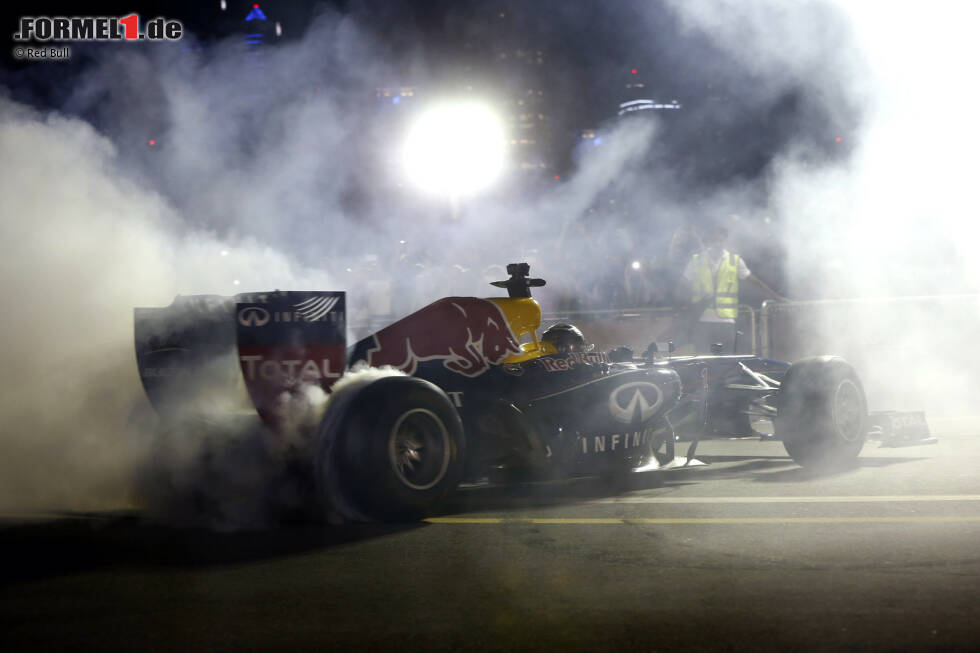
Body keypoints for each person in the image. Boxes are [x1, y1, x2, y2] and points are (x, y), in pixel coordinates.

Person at [681, 225, 785, 354]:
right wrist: (689, 306)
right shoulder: (696, 261)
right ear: (708, 240)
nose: (717, 243)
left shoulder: (734, 261)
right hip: (702, 320)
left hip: (726, 321)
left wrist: (776, 297)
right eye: (714, 240)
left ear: (725, 240)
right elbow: (683, 285)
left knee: (725, 361)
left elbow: (754, 282)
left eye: (720, 240)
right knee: (702, 360)